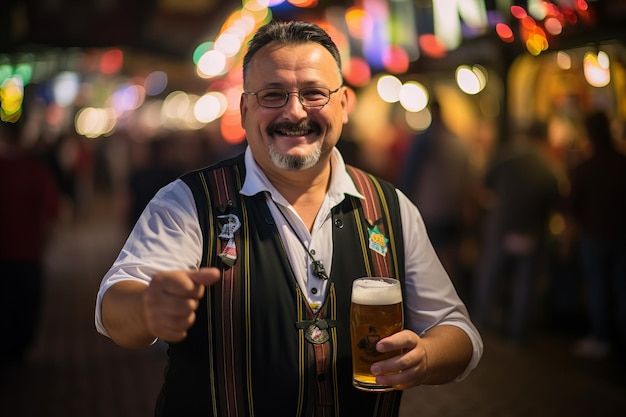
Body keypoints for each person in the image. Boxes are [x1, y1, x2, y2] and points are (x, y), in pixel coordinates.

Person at [95, 20, 482, 416]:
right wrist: (147, 307)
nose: (294, 112)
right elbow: (114, 306)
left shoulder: (391, 207)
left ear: (344, 105)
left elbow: (458, 331)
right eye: (273, 95)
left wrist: (426, 357)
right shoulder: (189, 202)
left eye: (314, 93)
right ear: (245, 110)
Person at [472, 121, 561, 345]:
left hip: (502, 227)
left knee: (491, 275)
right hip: (532, 230)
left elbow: (485, 184)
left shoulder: (507, 156)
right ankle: (517, 332)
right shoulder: (548, 166)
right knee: (525, 284)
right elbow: (554, 202)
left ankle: (482, 324)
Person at [564, 110, 626, 359]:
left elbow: (571, 208)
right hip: (621, 236)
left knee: (599, 288)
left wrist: (566, 243)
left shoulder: (585, 167)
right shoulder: (622, 163)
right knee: (622, 290)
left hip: (594, 237)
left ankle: (601, 339)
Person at [0, 120, 60, 367]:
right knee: (25, 303)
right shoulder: (34, 169)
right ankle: (19, 350)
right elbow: (52, 208)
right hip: (28, 250)